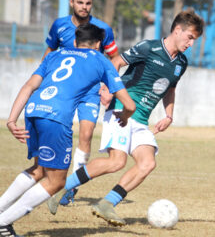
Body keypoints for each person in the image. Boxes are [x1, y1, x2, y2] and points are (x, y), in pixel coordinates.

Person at [47, 9, 205, 226]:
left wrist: (169, 115)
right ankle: (61, 187)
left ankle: (106, 204)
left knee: (148, 163)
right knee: (116, 162)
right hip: (121, 110)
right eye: (190, 37)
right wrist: (106, 88)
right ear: (178, 30)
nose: (191, 43)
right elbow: (116, 62)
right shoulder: (149, 47)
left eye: (194, 40)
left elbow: (170, 89)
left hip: (141, 120)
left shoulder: (181, 63)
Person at [0, 23, 135, 236]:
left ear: (75, 41)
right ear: (99, 44)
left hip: (33, 110)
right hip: (56, 118)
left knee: (39, 170)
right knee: (57, 182)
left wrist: (11, 120)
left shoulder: (55, 55)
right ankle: (3, 222)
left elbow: (29, 86)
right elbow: (130, 105)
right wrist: (125, 117)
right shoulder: (101, 60)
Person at [43, 0, 119, 204]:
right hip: (64, 89)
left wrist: (107, 86)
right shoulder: (59, 25)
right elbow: (50, 51)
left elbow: (114, 58)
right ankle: (51, 178)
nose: (84, 7)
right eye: (80, 2)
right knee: (59, 132)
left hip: (91, 91)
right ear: (71, 3)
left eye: (88, 3)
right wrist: (42, 79)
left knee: (86, 134)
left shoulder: (103, 29)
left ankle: (72, 186)